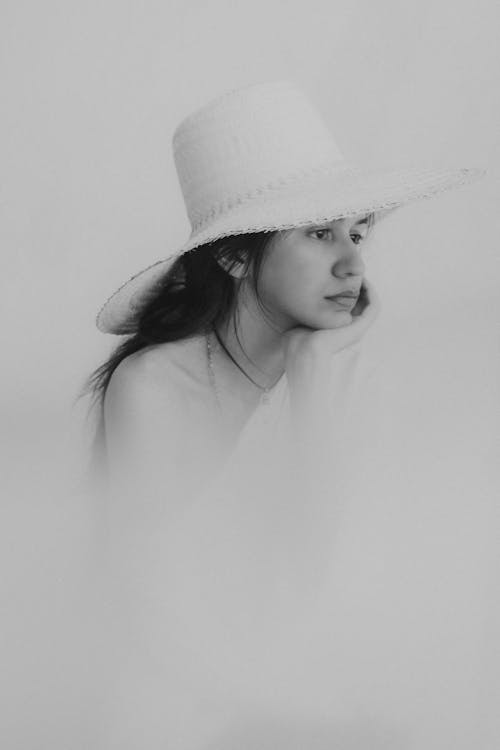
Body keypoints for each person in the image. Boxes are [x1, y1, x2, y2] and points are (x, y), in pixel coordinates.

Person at [82, 80, 484, 747]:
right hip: (183, 708)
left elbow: (350, 583)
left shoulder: (348, 375)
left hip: (306, 686)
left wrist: (318, 383)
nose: (353, 262)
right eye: (320, 233)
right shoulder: (154, 386)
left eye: (358, 232)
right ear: (235, 255)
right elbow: (153, 616)